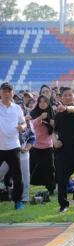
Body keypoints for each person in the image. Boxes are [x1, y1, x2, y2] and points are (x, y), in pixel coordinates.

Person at [0, 101, 35, 204]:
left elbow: (32, 138)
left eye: (22, 108)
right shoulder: (7, 121)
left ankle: (24, 198)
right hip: (9, 150)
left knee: (24, 177)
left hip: (23, 153)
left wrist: (27, 148)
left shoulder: (28, 123)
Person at [0, 82, 26, 210]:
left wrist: (22, 127)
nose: (6, 94)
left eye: (9, 91)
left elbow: (24, 122)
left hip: (13, 146)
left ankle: (18, 201)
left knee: (17, 177)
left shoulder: (17, 108)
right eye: (4, 91)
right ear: (0, 93)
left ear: (12, 93)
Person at [29, 95, 56, 194]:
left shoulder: (52, 113)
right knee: (32, 168)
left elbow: (56, 130)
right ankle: (27, 186)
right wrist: (39, 118)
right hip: (35, 146)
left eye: (45, 101)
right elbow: (29, 125)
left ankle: (51, 188)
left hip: (48, 146)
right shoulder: (34, 113)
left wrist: (54, 124)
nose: (43, 104)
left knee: (50, 168)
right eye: (40, 102)